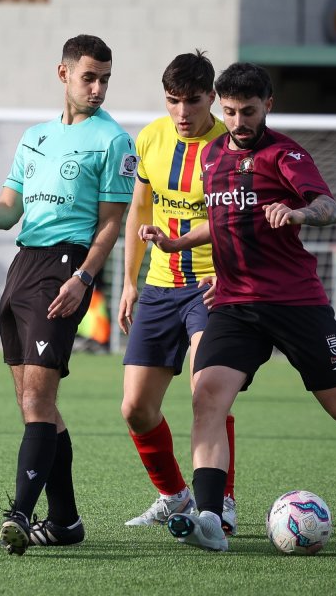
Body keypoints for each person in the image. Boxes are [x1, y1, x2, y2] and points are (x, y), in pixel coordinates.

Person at [141, 62, 336, 553]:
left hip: (295, 302)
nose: (239, 121)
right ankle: (208, 519)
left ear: (269, 105)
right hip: (234, 304)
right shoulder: (212, 156)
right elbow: (224, 220)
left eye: (248, 111)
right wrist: (178, 242)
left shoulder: (284, 154)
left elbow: (328, 205)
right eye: (230, 111)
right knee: (206, 396)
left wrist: (299, 211)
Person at [0, 34, 136, 555]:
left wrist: (83, 278)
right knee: (35, 404)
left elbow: (110, 225)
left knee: (37, 399)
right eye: (89, 77)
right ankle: (66, 522)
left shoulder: (114, 141)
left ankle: (20, 513)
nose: (98, 88)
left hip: (64, 266)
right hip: (23, 265)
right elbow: (9, 211)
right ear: (63, 74)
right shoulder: (34, 137)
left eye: (105, 79)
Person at [116, 51, 239, 533]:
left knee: (207, 394)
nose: (182, 113)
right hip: (159, 287)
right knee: (136, 408)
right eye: (172, 101)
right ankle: (174, 496)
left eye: (192, 101)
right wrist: (129, 281)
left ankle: (221, 503)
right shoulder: (150, 137)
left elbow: (243, 224)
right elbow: (139, 210)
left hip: (212, 289)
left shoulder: (231, 147)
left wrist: (231, 278)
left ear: (212, 97)